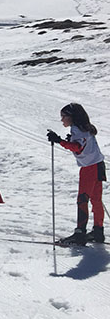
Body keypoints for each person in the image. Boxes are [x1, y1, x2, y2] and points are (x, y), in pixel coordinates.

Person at [47, 103, 105, 245]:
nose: (62, 120)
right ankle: (98, 231)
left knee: (82, 199)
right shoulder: (85, 127)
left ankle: (80, 233)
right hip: (98, 164)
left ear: (71, 117)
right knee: (96, 200)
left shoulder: (77, 129)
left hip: (89, 168)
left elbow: (77, 148)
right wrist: (69, 140)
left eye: (63, 117)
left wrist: (60, 141)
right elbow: (82, 145)